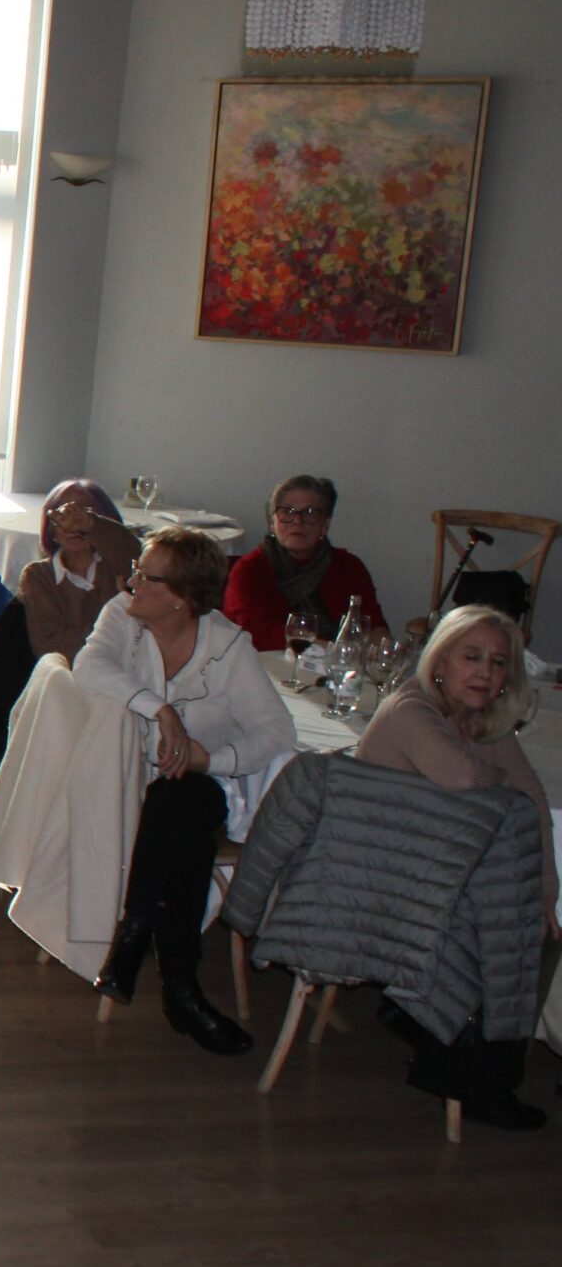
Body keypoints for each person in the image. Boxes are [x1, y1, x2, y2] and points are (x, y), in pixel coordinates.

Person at [83, 527, 294, 1056]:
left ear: (181, 597)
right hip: (120, 780)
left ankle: (135, 935)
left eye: (146, 576)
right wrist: (161, 709)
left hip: (201, 786)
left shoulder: (227, 647)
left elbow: (276, 733)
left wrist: (210, 760)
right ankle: (180, 990)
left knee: (181, 799)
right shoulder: (123, 616)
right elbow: (89, 665)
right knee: (183, 826)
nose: (131, 582)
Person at [355, 606, 557, 1129]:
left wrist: (547, 889)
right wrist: (504, 784)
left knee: (534, 920)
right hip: (373, 884)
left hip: (434, 878)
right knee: (501, 921)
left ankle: (463, 1053)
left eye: (498, 662)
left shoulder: (484, 721)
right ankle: (474, 1075)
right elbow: (462, 777)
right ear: (440, 660)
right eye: (472, 657)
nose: (486, 672)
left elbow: (535, 801)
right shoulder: (412, 707)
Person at [221, 473, 385, 650]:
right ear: (272, 524)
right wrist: (332, 651)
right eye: (287, 511)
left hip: (339, 663)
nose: (298, 521)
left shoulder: (349, 567)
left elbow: (374, 626)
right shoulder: (249, 571)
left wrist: (381, 653)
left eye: (310, 513)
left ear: (325, 525)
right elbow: (257, 633)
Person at [18, 480, 142, 661]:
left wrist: (91, 524)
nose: (72, 524)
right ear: (51, 529)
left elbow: (135, 555)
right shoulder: (38, 576)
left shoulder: (116, 563)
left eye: (82, 513)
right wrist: (116, 626)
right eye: (61, 515)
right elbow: (51, 649)